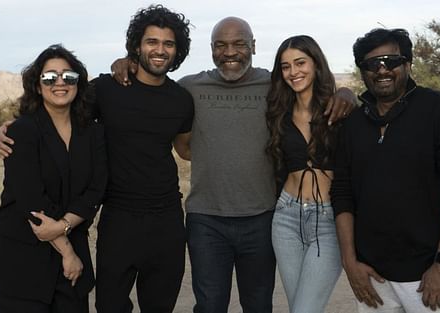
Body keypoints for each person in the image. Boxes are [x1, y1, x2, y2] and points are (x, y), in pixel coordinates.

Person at [111, 17, 355, 313]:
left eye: (239, 44)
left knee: (258, 304)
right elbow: (164, 109)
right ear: (212, 49)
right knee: (210, 305)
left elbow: (315, 91)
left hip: (263, 217)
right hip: (206, 220)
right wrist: (127, 62)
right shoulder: (190, 88)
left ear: (252, 46)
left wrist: (348, 93)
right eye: (221, 45)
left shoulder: (275, 85)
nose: (230, 52)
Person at [0, 5, 194, 313]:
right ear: (137, 45)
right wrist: (7, 128)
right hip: (118, 219)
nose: (159, 49)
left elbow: (185, 149)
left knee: (160, 306)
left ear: (177, 50)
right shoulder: (105, 89)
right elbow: (55, 103)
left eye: (168, 43)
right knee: (110, 306)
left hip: (166, 219)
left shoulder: (182, 100)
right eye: (151, 41)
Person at [331, 28, 440, 313]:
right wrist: (350, 264)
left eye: (391, 60)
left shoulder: (438, 110)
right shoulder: (353, 125)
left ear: (408, 64)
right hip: (372, 278)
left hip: (427, 275)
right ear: (362, 71)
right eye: (372, 64)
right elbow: (343, 193)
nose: (382, 69)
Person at [0, 44, 107, 313]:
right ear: (38, 87)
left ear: (78, 83)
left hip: (70, 256)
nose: (60, 82)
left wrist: (62, 226)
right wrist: (67, 252)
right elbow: (31, 198)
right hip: (20, 256)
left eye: (68, 76)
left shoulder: (93, 133)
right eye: (50, 77)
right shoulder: (21, 131)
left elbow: (96, 189)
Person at [266, 35, 343, 313]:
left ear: (316, 64)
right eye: (286, 67)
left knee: (304, 309)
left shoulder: (339, 109)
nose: (293, 72)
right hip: (285, 216)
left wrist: (347, 93)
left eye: (300, 63)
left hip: (328, 220)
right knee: (299, 306)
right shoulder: (278, 112)